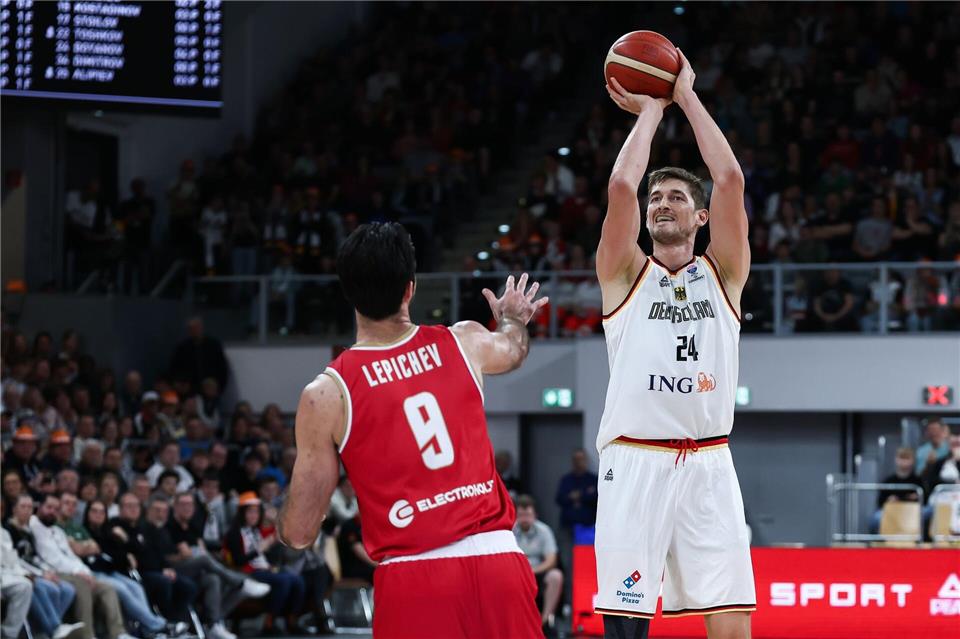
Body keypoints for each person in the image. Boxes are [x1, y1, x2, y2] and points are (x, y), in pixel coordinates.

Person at [278, 222, 546, 638]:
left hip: (413, 576)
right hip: (499, 563)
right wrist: (512, 318)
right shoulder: (466, 341)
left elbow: (298, 532)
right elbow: (514, 349)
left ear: (346, 292)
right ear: (410, 288)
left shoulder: (326, 394)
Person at [594, 54, 755, 637]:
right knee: (627, 625)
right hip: (636, 457)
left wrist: (686, 96)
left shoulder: (725, 274)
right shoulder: (622, 274)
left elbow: (732, 179)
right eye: (656, 197)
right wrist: (651, 110)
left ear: (702, 216)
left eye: (676, 198)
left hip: (710, 461)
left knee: (732, 619)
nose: (661, 203)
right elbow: (619, 186)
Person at [29, 493, 133, 639]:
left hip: (72, 571)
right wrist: (78, 572)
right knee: (82, 583)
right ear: (39, 507)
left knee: (107, 588)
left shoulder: (58, 531)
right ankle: (87, 635)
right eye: (49, 507)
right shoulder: (35, 526)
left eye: (55, 508)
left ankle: (119, 633)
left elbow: (72, 556)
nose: (52, 511)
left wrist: (84, 571)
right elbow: (52, 558)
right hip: (52, 571)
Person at [3, 497, 83, 639]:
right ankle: (53, 628)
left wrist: (46, 571)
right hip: (18, 573)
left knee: (67, 589)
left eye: (29, 507)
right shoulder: (8, 529)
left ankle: (44, 631)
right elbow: (16, 560)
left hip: (30, 571)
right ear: (14, 509)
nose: (27, 510)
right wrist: (39, 574)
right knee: (47, 588)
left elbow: (34, 557)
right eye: (23, 506)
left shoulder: (28, 531)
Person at [225, 493, 305, 634]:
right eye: (250, 512)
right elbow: (238, 561)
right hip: (247, 571)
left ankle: (291, 621)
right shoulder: (234, 533)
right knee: (284, 581)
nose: (254, 516)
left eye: (256, 512)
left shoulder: (256, 530)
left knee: (297, 580)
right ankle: (269, 622)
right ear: (242, 513)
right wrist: (259, 550)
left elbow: (274, 539)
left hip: (264, 569)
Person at [513, 495, 564, 633]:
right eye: (521, 515)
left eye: (528, 514)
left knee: (556, 576)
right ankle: (514, 621)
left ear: (535, 515)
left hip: (538, 572)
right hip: (516, 573)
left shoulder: (544, 530)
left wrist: (533, 570)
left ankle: (545, 621)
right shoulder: (509, 531)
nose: (524, 518)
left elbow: (552, 559)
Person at [869, 448, 925, 534]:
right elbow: (880, 503)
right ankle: (877, 542)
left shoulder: (918, 481)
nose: (904, 462)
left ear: (913, 460)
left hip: (912, 513)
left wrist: (914, 499)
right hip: (892, 513)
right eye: (901, 458)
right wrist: (889, 501)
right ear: (896, 459)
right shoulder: (888, 481)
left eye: (907, 458)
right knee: (876, 517)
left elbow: (924, 501)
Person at [1, 523, 34, 639]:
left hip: (4, 574)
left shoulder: (3, 532)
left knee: (25, 585)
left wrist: (23, 573)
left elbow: (11, 560)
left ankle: (9, 634)